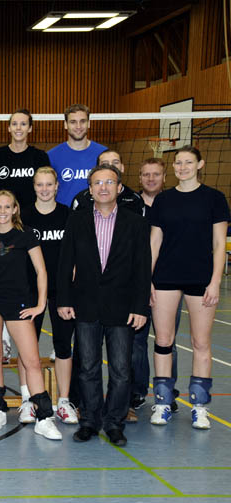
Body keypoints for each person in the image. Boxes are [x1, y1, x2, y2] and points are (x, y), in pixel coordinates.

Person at [57, 164, 151, 446]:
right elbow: (65, 262)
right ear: (90, 189)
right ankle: (89, 421)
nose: (103, 187)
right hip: (85, 305)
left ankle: (114, 423)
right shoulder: (77, 220)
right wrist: (64, 299)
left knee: (121, 370)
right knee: (87, 367)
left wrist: (140, 307)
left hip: (122, 307)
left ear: (119, 188)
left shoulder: (136, 223)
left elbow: (142, 268)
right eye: (98, 183)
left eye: (109, 182)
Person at [0, 190, 61, 440]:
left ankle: (44, 417)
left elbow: (41, 271)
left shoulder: (26, 235)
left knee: (32, 360)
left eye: (7, 207)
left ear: (14, 209)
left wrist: (40, 304)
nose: (2, 211)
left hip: (18, 303)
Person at [149, 146, 230, 429]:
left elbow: (219, 244)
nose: (182, 167)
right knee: (163, 340)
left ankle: (199, 407)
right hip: (166, 277)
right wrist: (147, 279)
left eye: (188, 162)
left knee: (200, 343)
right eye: (178, 163)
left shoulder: (214, 198)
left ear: (200, 164)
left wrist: (215, 281)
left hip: (200, 278)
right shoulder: (163, 200)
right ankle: (162, 403)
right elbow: (155, 242)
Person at [21, 167, 77, 425]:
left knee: (63, 346)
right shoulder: (23, 216)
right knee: (27, 347)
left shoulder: (68, 215)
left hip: (62, 291)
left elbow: (76, 253)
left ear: (57, 186)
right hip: (29, 291)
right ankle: (28, 400)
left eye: (48, 184)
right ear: (34, 187)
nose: (44, 189)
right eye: (39, 184)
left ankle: (64, 401)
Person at [129, 158, 181, 421]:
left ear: (164, 177)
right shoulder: (130, 205)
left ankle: (167, 392)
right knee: (136, 341)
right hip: (135, 282)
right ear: (139, 178)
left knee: (167, 340)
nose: (151, 179)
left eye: (156, 174)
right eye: (146, 174)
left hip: (168, 281)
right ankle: (137, 392)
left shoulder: (173, 204)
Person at [0, 109, 50, 209]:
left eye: (23, 124)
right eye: (14, 124)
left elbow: (46, 189)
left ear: (30, 128)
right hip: (4, 214)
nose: (18, 128)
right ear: (9, 128)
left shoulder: (40, 157)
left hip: (32, 213)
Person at [47, 104, 107, 207]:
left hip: (95, 213)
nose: (78, 126)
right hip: (65, 214)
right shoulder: (51, 156)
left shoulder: (103, 154)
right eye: (73, 122)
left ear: (89, 123)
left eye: (82, 121)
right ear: (65, 124)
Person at [70, 150, 144, 215]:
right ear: (98, 168)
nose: (111, 166)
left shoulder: (135, 199)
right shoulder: (82, 199)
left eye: (115, 162)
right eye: (105, 163)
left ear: (122, 168)